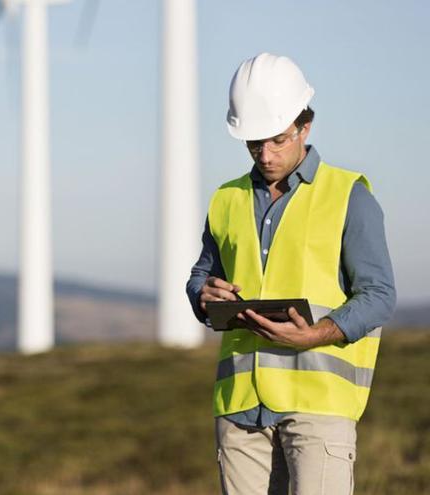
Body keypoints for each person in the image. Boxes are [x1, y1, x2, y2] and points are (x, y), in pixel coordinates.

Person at [186, 53, 396, 495]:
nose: (265, 154)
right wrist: (203, 294)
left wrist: (316, 333)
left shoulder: (348, 195)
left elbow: (378, 295)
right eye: (253, 144)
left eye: (277, 140)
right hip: (240, 411)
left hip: (319, 406)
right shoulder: (225, 200)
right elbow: (201, 278)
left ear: (305, 126)